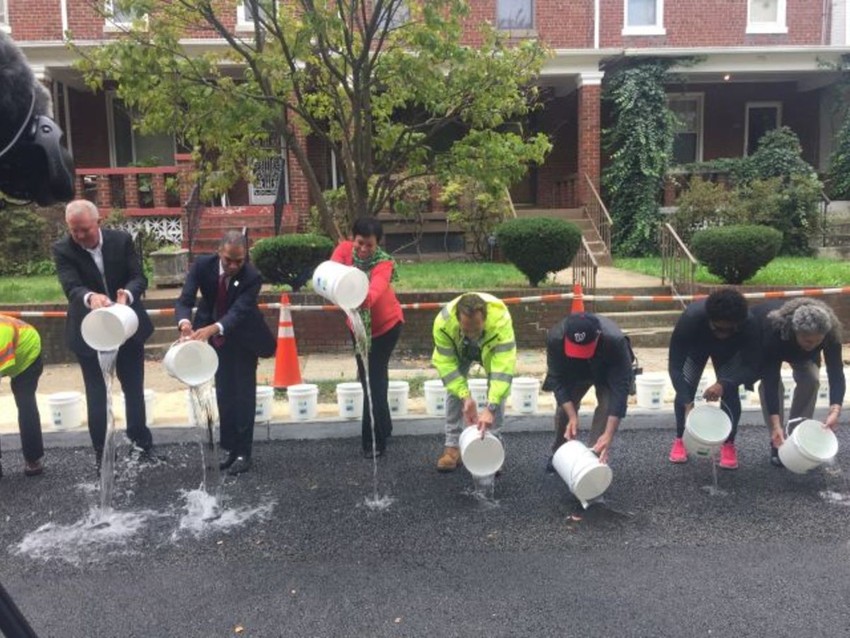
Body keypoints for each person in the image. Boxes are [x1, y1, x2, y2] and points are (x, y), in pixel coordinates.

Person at [53, 199, 158, 473]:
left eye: (84, 230)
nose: (79, 236)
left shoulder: (121, 241)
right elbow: (71, 286)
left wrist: (128, 294)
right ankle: (103, 456)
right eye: (73, 230)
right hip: (91, 332)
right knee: (97, 396)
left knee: (133, 390)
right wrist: (90, 298)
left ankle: (141, 445)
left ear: (98, 222)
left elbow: (139, 276)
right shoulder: (63, 249)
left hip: (126, 328)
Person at [176, 230, 276, 475]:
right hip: (217, 340)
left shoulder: (252, 276)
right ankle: (230, 449)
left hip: (244, 337)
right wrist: (185, 323)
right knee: (223, 393)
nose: (233, 265)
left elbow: (239, 311)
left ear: (245, 257)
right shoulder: (202, 266)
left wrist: (214, 328)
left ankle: (244, 453)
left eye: (239, 261)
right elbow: (185, 299)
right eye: (228, 260)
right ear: (219, 252)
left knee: (243, 396)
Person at [331, 217, 404, 459]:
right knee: (371, 379)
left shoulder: (383, 263)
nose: (363, 249)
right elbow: (332, 272)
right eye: (360, 242)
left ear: (378, 244)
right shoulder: (344, 250)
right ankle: (386, 427)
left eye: (369, 245)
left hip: (385, 328)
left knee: (373, 382)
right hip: (357, 327)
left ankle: (373, 441)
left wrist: (355, 296)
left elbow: (374, 292)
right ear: (353, 238)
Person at [667, 289, 760, 469]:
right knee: (685, 387)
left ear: (738, 324)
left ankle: (729, 443)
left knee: (730, 391)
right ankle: (681, 438)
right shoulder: (691, 318)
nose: (722, 334)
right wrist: (687, 403)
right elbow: (675, 366)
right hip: (697, 349)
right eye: (717, 328)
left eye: (729, 329)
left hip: (730, 353)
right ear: (709, 319)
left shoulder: (749, 323)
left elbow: (752, 367)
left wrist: (724, 384)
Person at [752, 297, 845, 466]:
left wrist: (835, 410)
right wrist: (775, 424)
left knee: (811, 378)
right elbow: (771, 379)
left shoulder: (831, 333)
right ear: (796, 332)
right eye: (808, 340)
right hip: (769, 344)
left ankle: (796, 437)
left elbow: (836, 371)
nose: (814, 344)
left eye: (818, 342)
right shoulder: (774, 330)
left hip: (803, 356)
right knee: (769, 386)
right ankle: (777, 437)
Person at [431, 293, 516, 472]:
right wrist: (465, 397)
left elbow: (502, 372)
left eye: (476, 329)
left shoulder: (500, 322)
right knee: (454, 390)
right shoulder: (443, 325)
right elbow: (447, 367)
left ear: (484, 319)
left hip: (490, 346)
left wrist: (490, 408)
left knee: (497, 386)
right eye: (467, 329)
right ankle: (452, 447)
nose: (472, 334)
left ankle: (493, 444)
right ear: (457, 320)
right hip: (458, 347)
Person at [543, 311, 634, 467]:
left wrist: (609, 434)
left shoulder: (615, 341)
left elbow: (620, 389)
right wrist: (572, 416)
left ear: (598, 336)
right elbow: (557, 380)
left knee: (607, 406)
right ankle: (559, 453)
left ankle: (593, 458)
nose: (582, 353)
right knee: (564, 409)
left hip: (607, 371)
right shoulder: (556, 338)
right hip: (575, 371)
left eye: (585, 349)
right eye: (577, 348)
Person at [0, 315, 45, 479]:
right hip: (10, 348)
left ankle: (33, 459)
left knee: (25, 401)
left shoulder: (1, 335)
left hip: (28, 354)